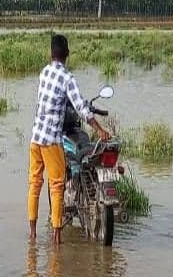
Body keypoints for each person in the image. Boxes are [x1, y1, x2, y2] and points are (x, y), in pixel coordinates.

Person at [27, 34, 110, 244]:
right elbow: (81, 107)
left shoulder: (44, 72)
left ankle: (33, 233)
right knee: (57, 186)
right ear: (68, 54)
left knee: (35, 183)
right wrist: (99, 129)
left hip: (35, 138)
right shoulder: (67, 78)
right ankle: (57, 237)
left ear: (51, 53)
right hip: (51, 140)